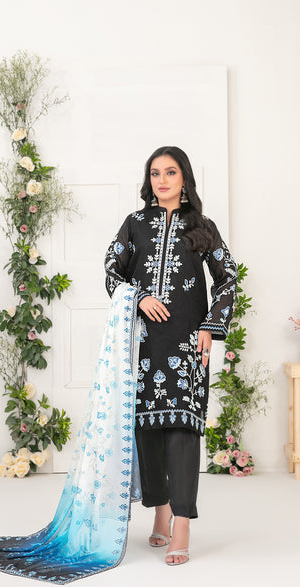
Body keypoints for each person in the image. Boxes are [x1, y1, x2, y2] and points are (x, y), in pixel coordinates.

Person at [104, 145, 237, 565]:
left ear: (184, 179)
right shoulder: (135, 224)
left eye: (171, 172)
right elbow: (111, 271)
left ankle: (182, 522)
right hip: (143, 342)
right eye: (155, 173)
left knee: (182, 430)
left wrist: (210, 326)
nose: (162, 180)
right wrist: (139, 297)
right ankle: (159, 509)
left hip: (187, 341)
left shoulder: (203, 227)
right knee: (147, 430)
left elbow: (228, 278)